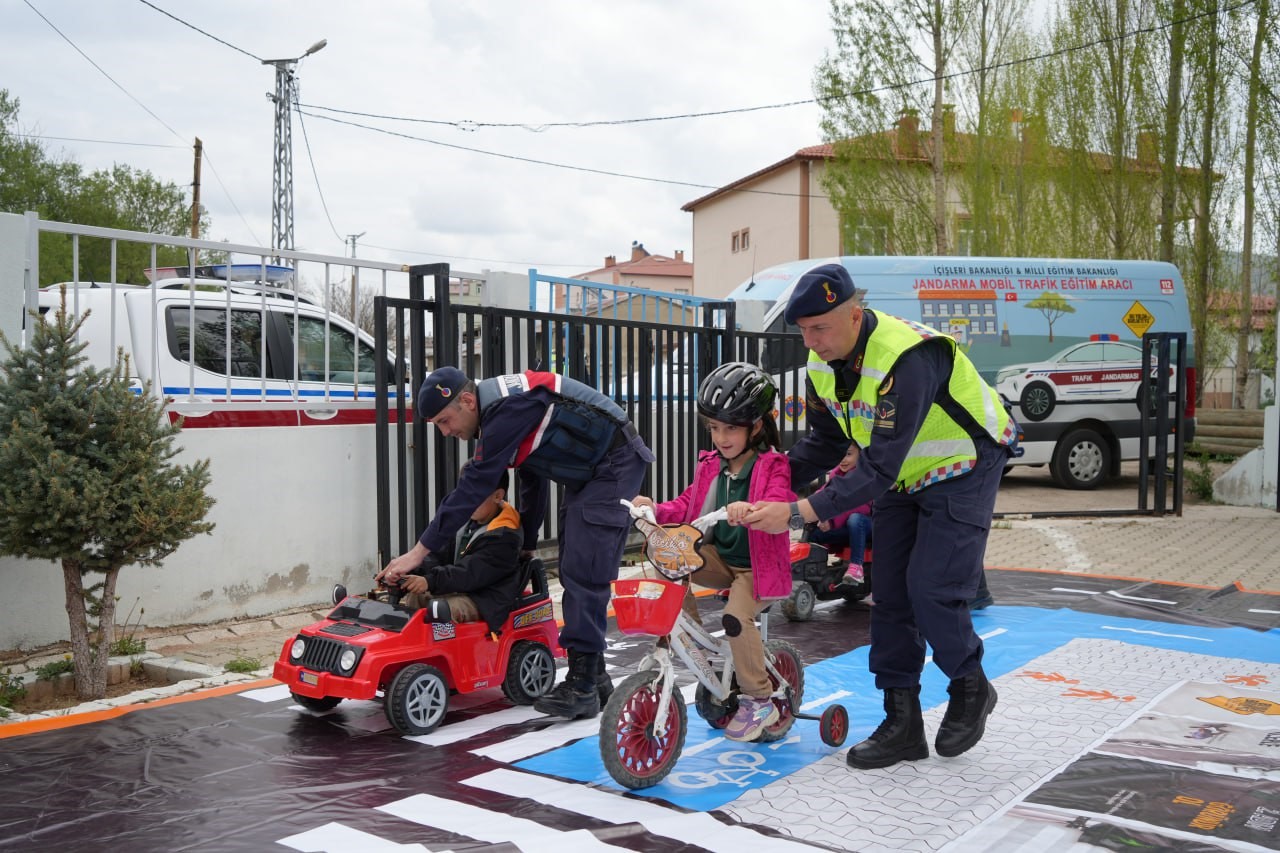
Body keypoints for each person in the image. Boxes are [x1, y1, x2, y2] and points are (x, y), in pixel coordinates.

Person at [742, 262, 1017, 771]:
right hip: (901, 475)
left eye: (820, 328)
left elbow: (878, 463)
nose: (812, 341)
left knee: (931, 587)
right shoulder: (822, 364)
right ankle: (902, 723)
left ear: (855, 313)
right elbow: (825, 441)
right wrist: (766, 484)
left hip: (963, 462)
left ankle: (970, 685)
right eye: (803, 331)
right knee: (887, 594)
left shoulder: (907, 356)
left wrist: (798, 513)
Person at [377, 366, 652, 721]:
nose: (446, 432)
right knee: (573, 566)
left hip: (613, 464)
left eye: (445, 421)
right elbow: (532, 474)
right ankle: (595, 679)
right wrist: (528, 542)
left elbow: (473, 486)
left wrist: (418, 552)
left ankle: (582, 685)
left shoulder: (508, 410)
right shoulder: (501, 414)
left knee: (584, 568)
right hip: (590, 470)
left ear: (467, 400)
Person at [631, 362, 794, 742]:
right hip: (721, 562)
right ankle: (693, 641)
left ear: (756, 426)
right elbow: (690, 504)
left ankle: (759, 698)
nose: (721, 437)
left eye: (731, 428)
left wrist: (751, 511)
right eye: (715, 428)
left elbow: (777, 500)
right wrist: (654, 509)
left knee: (736, 617)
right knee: (669, 559)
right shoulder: (710, 465)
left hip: (758, 569)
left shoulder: (773, 466)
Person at [392, 467, 526, 634]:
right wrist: (411, 572)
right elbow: (436, 554)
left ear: (497, 496)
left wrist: (430, 581)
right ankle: (412, 643)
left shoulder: (505, 536)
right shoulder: (465, 521)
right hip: (460, 587)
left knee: (446, 610)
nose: (468, 502)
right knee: (416, 595)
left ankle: (440, 652)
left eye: (475, 496)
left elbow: (470, 573)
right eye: (465, 495)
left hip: (485, 599)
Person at [808, 441, 873, 589]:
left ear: (861, 455)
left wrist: (831, 520)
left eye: (849, 454)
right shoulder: (837, 475)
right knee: (813, 532)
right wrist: (810, 511)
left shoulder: (866, 477)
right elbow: (823, 495)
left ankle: (856, 566)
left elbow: (860, 507)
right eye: (841, 454)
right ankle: (814, 571)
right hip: (846, 526)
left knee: (855, 519)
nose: (843, 459)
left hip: (869, 525)